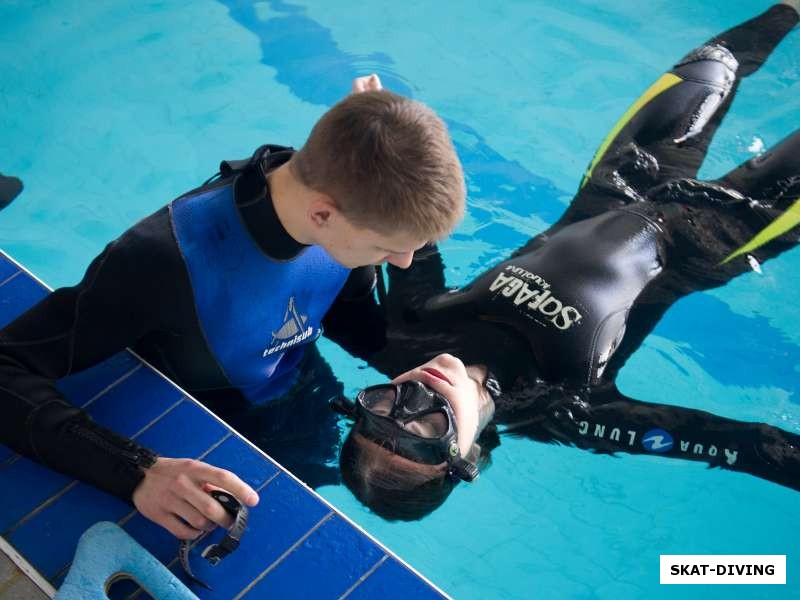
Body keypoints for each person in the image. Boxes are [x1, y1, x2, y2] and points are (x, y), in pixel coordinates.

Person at [330, 3, 800, 520]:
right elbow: (751, 446)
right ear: (465, 457)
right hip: (722, 234)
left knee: (714, 61)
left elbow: (403, 235)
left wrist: (374, 153)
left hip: (621, 181)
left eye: (384, 406)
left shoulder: (405, 336)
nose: (415, 395)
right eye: (426, 425)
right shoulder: (570, 414)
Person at [0, 77, 466, 539]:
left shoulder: (339, 197)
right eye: (388, 249)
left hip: (303, 383)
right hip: (212, 421)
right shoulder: (165, 261)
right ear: (323, 214)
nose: (402, 262)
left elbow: (358, 325)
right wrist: (137, 470)